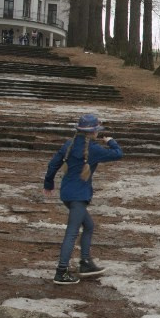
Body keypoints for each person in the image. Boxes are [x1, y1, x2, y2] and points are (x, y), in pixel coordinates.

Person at [43, 113, 124, 284]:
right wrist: (111, 141)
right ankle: (61, 271)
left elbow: (53, 164)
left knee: (89, 225)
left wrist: (48, 183)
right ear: (93, 132)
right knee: (72, 232)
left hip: (67, 193)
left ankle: (86, 263)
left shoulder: (69, 145)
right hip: (79, 195)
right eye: (97, 130)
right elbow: (118, 154)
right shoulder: (94, 149)